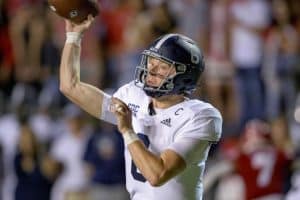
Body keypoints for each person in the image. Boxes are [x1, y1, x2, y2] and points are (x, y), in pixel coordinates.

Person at [59, 15, 222, 200]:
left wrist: (127, 130)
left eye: (162, 67)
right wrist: (73, 38)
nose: (151, 71)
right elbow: (69, 86)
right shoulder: (134, 95)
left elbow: (157, 175)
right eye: (151, 62)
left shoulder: (201, 116)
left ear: (184, 76)